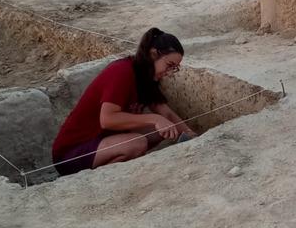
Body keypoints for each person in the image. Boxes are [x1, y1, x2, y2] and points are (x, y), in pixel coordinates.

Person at [51, 28, 196, 176]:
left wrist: (192, 136)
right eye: (169, 65)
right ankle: (95, 179)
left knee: (165, 129)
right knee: (137, 143)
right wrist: (155, 118)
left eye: (175, 68)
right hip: (72, 153)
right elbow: (107, 120)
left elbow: (166, 113)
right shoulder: (122, 71)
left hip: (104, 142)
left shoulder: (147, 77)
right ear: (153, 54)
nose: (170, 72)